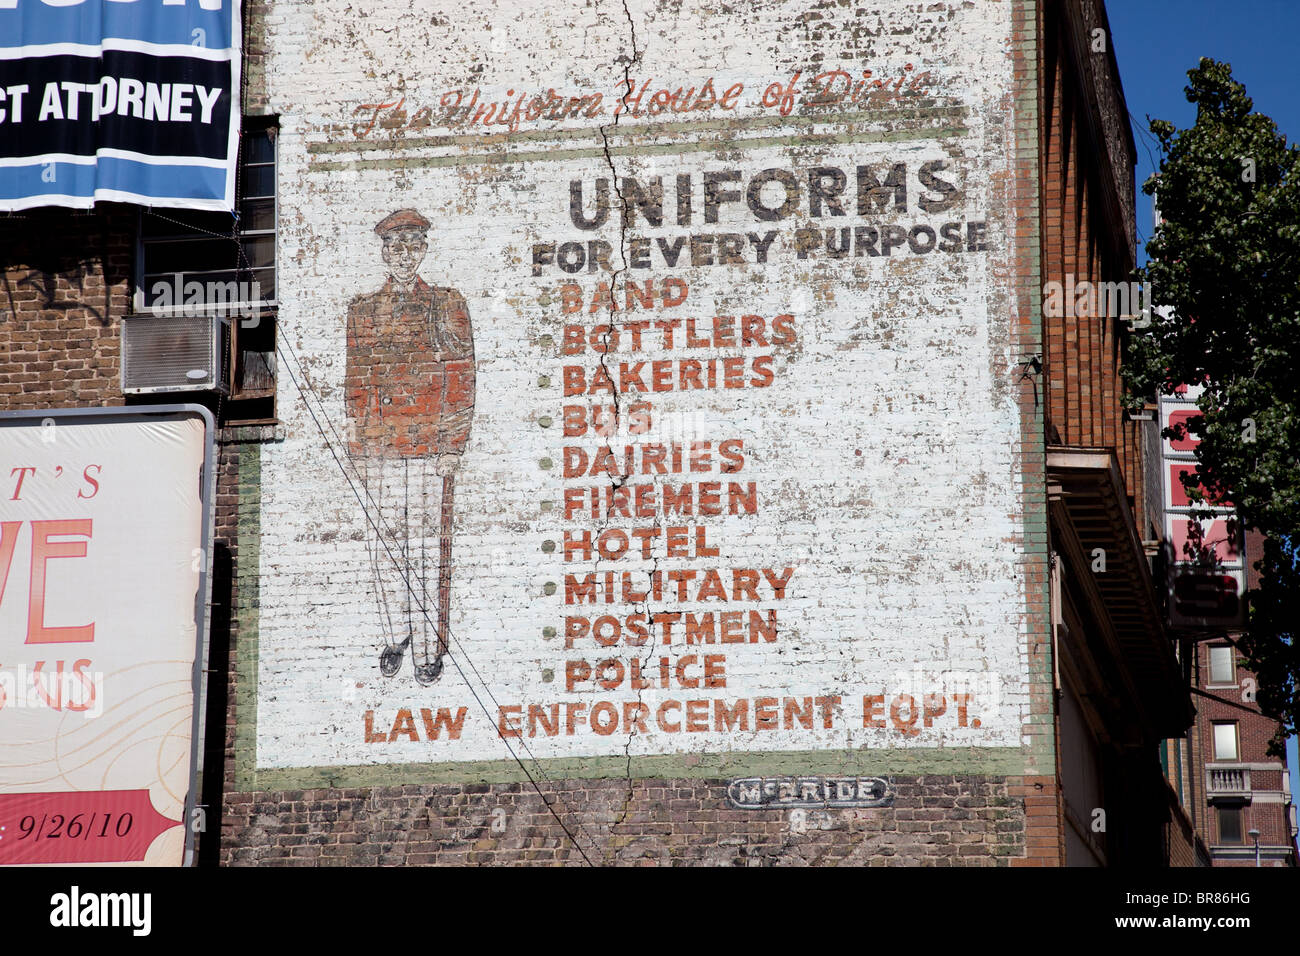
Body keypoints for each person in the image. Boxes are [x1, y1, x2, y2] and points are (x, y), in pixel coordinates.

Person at [344, 208, 475, 684]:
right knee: (386, 548)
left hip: (427, 447)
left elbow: (460, 377)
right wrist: (358, 445)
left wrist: (453, 443)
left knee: (425, 548)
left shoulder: (447, 304)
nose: (404, 257)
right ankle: (392, 633)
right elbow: (355, 383)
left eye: (413, 247)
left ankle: (426, 649)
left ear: (424, 251)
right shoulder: (362, 310)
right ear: (384, 252)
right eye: (395, 248)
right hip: (380, 446)